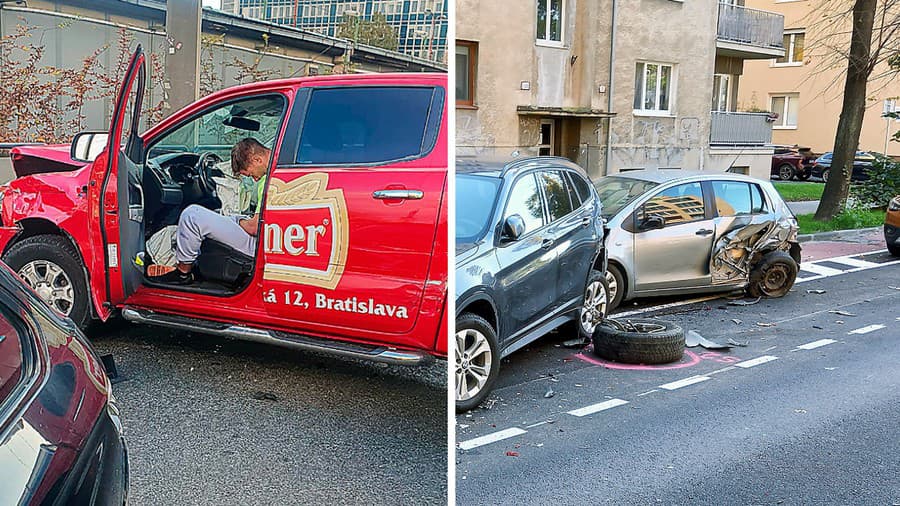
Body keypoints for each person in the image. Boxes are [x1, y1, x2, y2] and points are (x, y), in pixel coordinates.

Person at [150, 137, 270, 285]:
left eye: (251, 175)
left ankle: (182, 273)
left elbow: (254, 227)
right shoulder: (281, 170)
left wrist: (238, 220)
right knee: (219, 218)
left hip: (261, 245)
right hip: (270, 241)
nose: (255, 179)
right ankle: (193, 266)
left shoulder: (268, 180)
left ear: (258, 160)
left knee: (192, 216)